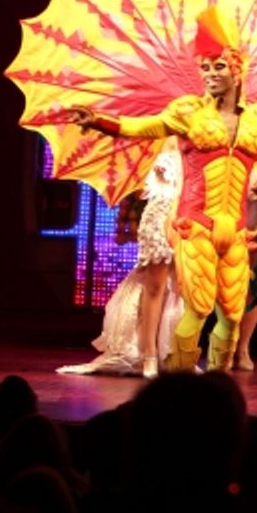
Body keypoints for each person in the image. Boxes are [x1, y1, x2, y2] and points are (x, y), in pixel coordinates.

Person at [69, 7, 257, 372]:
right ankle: (179, 381)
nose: (209, 74)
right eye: (204, 67)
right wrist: (98, 121)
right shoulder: (188, 114)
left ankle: (220, 383)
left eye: (218, 67)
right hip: (196, 225)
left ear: (238, 69)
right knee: (198, 307)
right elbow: (141, 127)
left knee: (232, 314)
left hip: (236, 229)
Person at [57, 147, 182, 378]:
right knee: (154, 286)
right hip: (160, 216)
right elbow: (138, 189)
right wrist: (152, 176)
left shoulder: (203, 135)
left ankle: (176, 354)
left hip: (189, 218)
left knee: (180, 289)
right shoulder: (155, 137)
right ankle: (149, 355)